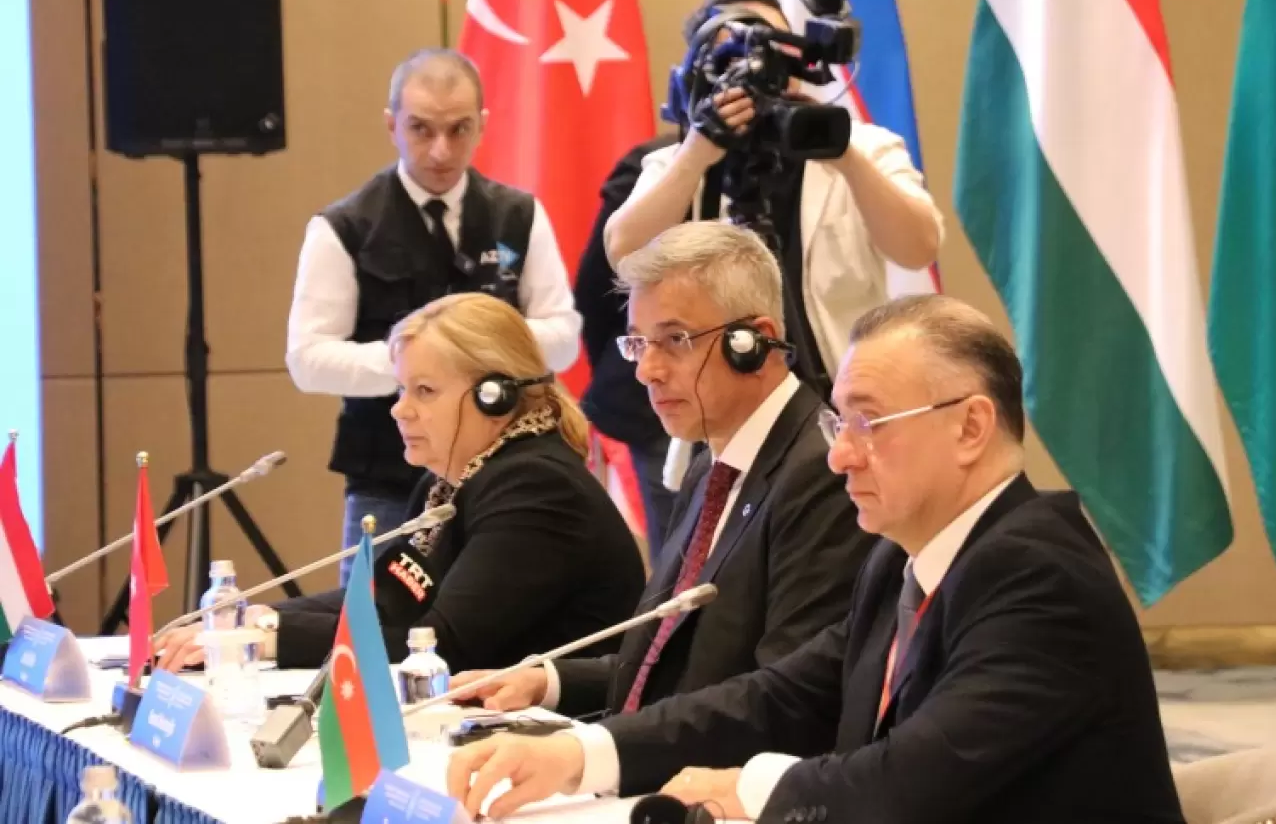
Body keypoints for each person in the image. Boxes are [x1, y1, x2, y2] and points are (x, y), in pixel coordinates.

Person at [445, 295, 1187, 824]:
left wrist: (749, 786)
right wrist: (579, 752)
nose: (839, 455)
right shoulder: (902, 563)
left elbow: (907, 784)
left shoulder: (1040, 577)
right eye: (839, 422)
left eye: (869, 422)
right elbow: (777, 697)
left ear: (970, 427)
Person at [449, 222, 873, 728]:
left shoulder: (821, 473)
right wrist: (547, 682)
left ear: (754, 342)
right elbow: (669, 666)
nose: (646, 370)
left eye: (675, 339)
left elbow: (783, 699)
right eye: (639, 343)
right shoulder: (709, 467)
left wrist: (599, 750)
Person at [155, 294, 642, 673]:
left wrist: (268, 638)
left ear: (495, 396)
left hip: (556, 738)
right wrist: (257, 620)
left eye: (424, 391)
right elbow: (384, 601)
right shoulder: (451, 481)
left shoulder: (536, 488)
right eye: (402, 388)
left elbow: (441, 645)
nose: (400, 410)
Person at [285, 48, 581, 586]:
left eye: (459, 129)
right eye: (421, 129)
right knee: (374, 624)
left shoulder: (518, 215)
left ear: (483, 125)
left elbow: (562, 338)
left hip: (507, 473)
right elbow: (308, 360)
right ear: (391, 124)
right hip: (389, 477)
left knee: (499, 615)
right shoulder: (344, 227)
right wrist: (424, 368)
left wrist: (464, 359)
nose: (441, 150)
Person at [604, 0, 943, 401]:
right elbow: (624, 254)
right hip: (722, 404)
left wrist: (844, 157)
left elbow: (918, 248)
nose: (759, 67)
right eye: (736, 54)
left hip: (841, 398)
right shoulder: (678, 162)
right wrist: (697, 156)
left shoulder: (863, 147)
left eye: (773, 49)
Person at [575, 134, 682, 554]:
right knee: (679, 557)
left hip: (775, 397)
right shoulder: (655, 165)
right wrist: (637, 364)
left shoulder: (807, 149)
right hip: (658, 414)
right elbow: (597, 290)